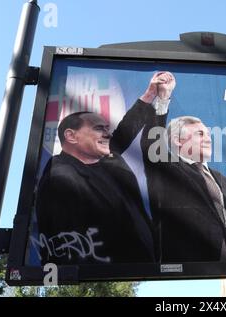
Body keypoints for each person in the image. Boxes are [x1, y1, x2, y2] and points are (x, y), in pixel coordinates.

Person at [35, 72, 170, 265]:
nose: (107, 134)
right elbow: (68, 245)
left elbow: (125, 130)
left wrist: (150, 95)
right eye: (99, 129)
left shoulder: (106, 161)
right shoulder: (60, 174)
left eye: (106, 129)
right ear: (72, 136)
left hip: (141, 267)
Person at [141, 73, 226, 262]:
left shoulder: (225, 182)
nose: (208, 138)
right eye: (200, 134)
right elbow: (152, 143)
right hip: (186, 274)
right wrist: (162, 98)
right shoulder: (167, 170)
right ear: (178, 140)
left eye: (208, 134)